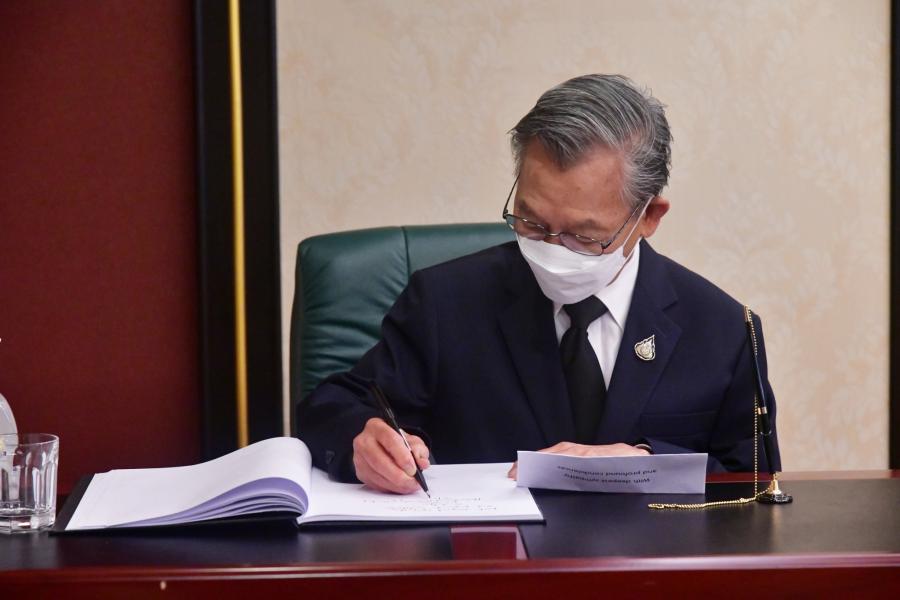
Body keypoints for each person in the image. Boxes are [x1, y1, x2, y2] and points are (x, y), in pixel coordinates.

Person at [297, 74, 781, 494]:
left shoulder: (723, 331)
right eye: (531, 221)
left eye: (583, 235)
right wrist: (363, 440)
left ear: (649, 217)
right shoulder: (445, 303)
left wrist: (647, 465)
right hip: (488, 560)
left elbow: (755, 484)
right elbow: (332, 407)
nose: (552, 248)